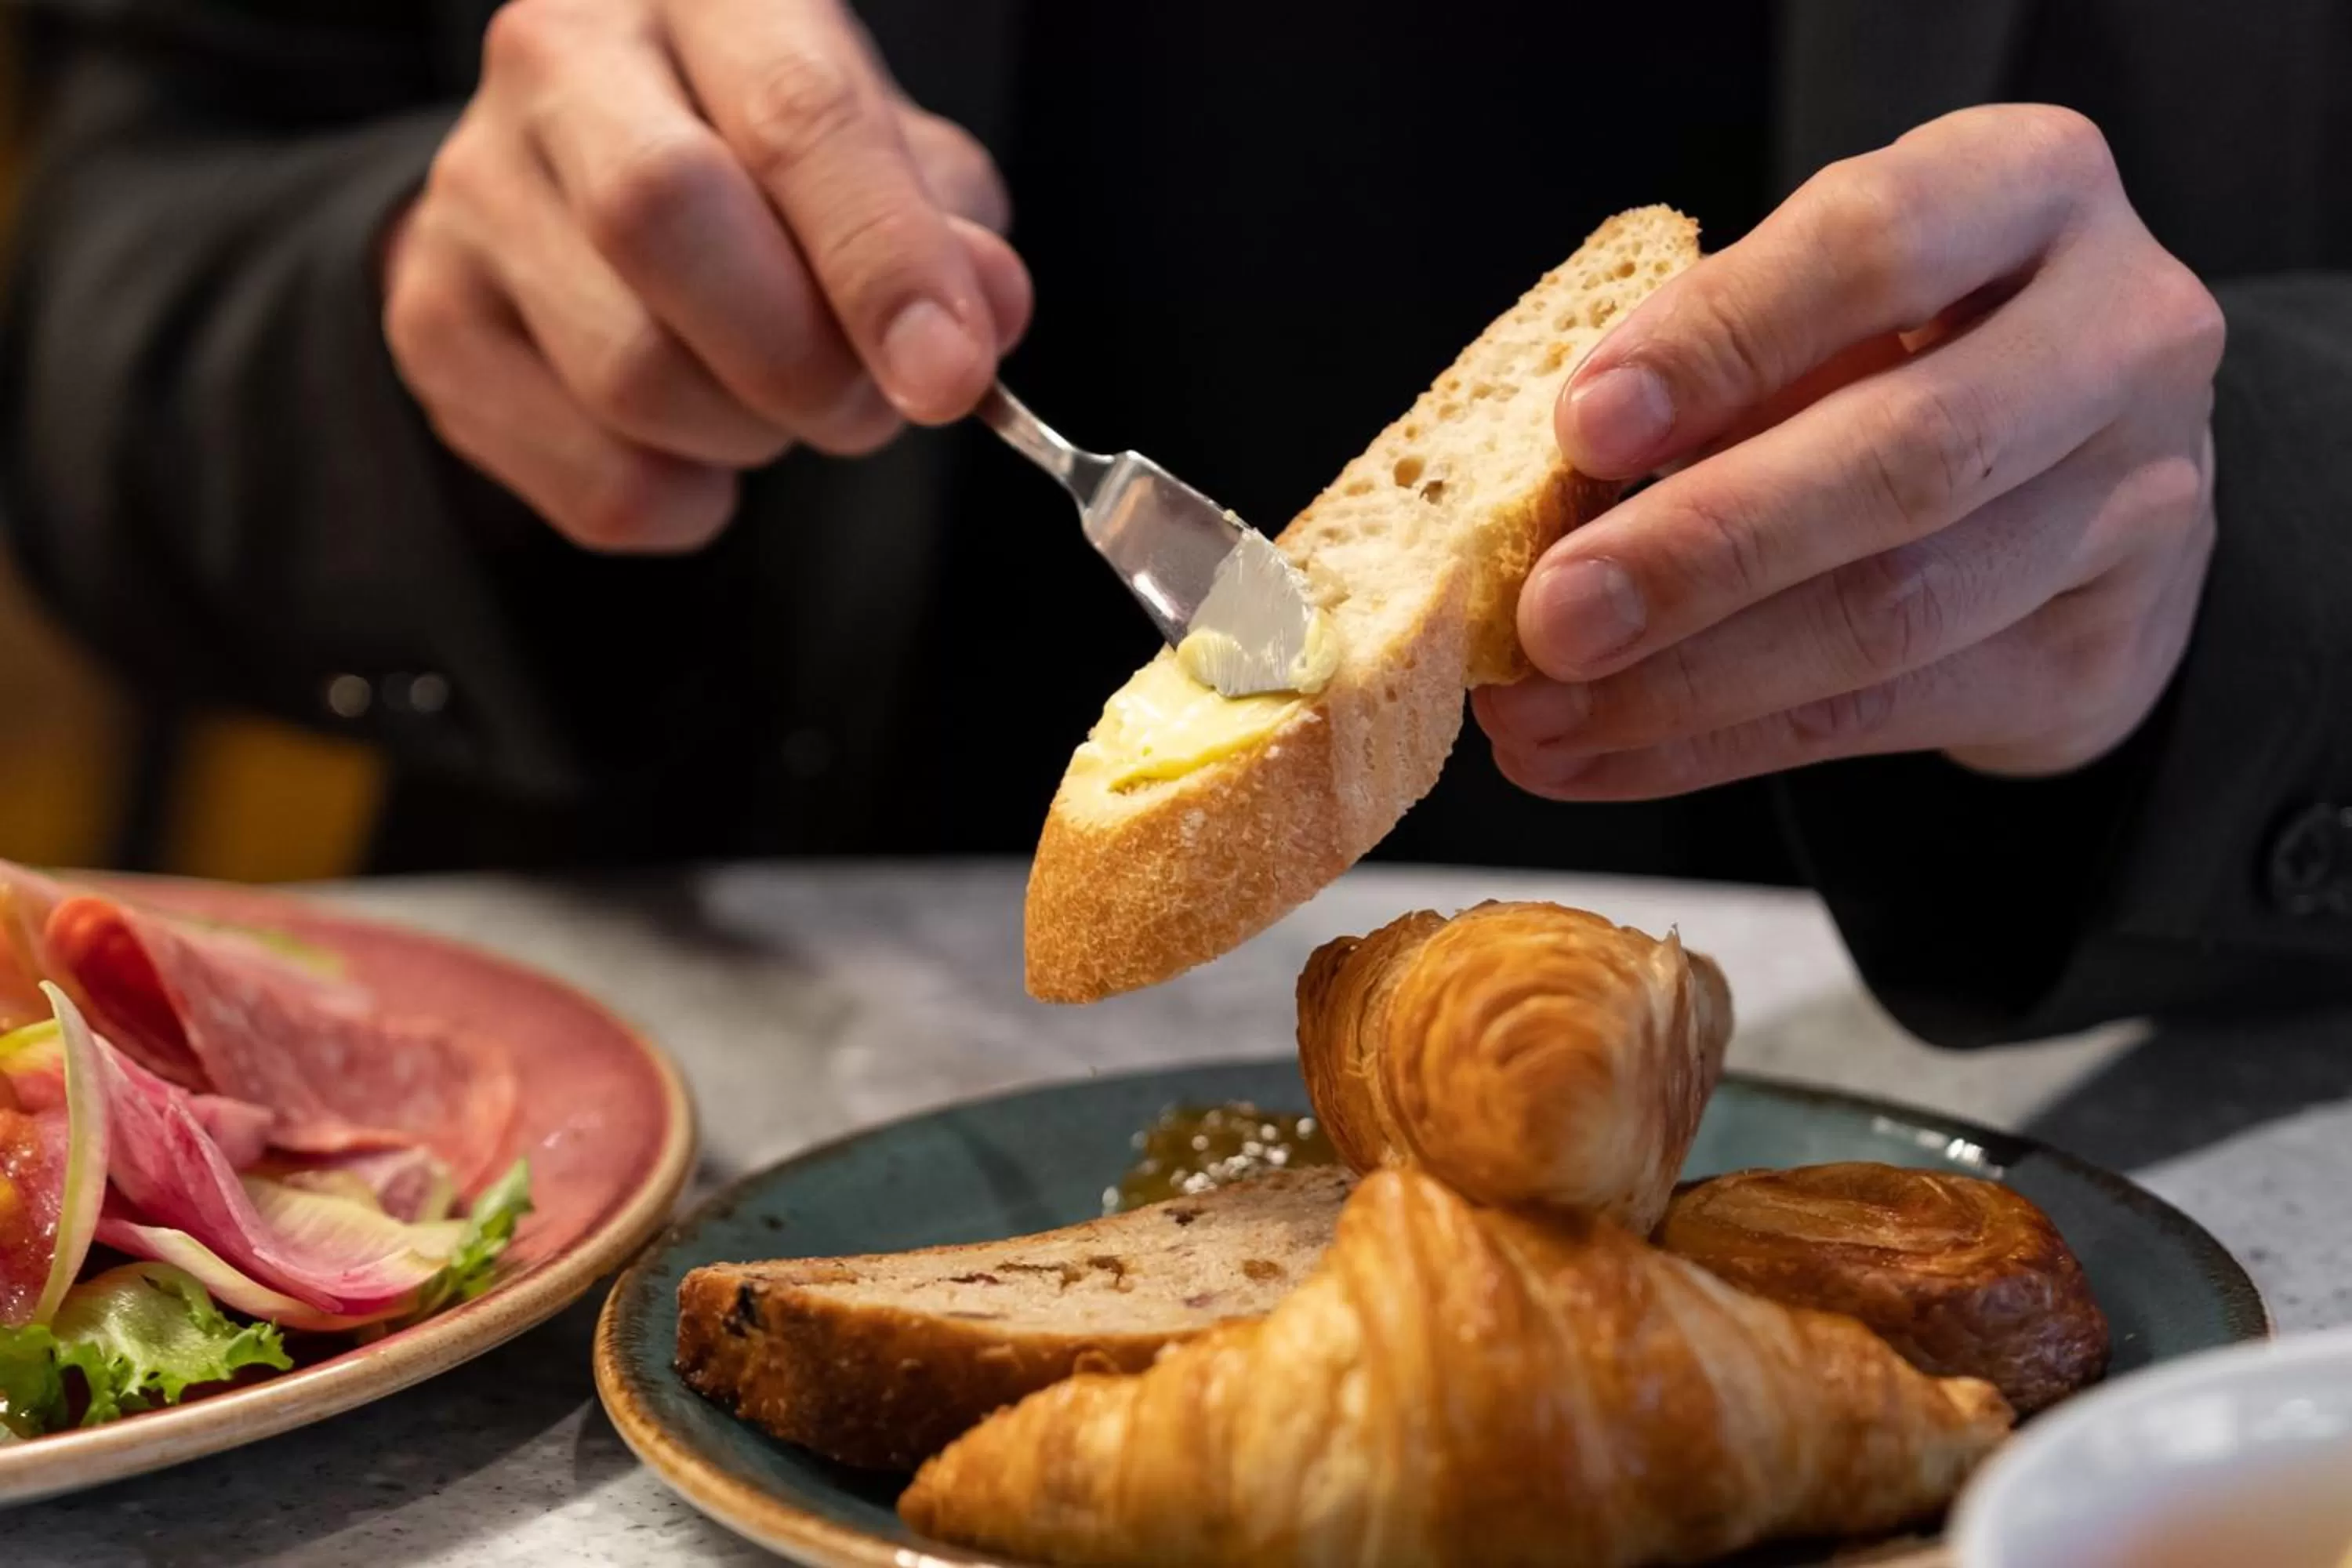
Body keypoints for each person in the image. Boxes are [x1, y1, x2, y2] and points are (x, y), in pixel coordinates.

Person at [2, 0, 2349, 1051]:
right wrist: (461, 332)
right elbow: (119, 275)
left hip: (2050, 1145)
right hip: (760, 1121)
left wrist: (2229, 557)